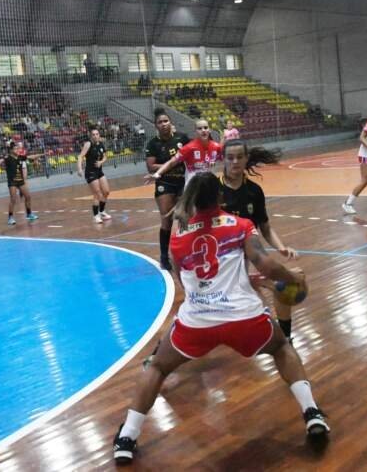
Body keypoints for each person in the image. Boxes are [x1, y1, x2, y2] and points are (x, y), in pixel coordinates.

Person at [112, 173, 329, 464]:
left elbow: (187, 283)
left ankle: (127, 437)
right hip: (244, 318)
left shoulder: (178, 238)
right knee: (281, 348)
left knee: (158, 367)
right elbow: (264, 263)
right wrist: (290, 278)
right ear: (221, 197)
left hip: (198, 321)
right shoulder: (241, 226)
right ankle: (312, 413)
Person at [220, 139, 299, 341]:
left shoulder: (254, 191)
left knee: (289, 282)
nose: (235, 161)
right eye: (230, 157)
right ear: (223, 159)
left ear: (247, 159)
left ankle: (284, 337)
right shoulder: (212, 190)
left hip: (249, 256)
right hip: (220, 261)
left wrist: (281, 247)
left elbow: (265, 226)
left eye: (239, 157)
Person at [144, 108, 190, 270]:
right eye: (160, 122)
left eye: (166, 121)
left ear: (171, 122)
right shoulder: (153, 144)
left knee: (185, 219)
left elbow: (192, 152)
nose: (163, 124)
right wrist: (171, 163)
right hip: (165, 184)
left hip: (183, 183)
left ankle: (185, 253)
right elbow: (151, 167)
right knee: (167, 219)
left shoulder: (182, 138)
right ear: (155, 126)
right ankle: (164, 256)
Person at [146, 119, 222, 186]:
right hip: (192, 187)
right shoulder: (189, 147)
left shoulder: (216, 147)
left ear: (209, 130)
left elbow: (227, 160)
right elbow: (172, 162)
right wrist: (157, 173)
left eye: (205, 127)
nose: (203, 130)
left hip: (209, 184)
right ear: (195, 131)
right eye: (200, 128)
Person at [77, 127, 111, 224]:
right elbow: (80, 156)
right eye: (93, 134)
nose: (95, 136)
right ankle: (96, 216)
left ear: (99, 135)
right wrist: (79, 169)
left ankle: (102, 211)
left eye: (97, 134)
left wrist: (101, 162)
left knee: (106, 192)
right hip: (90, 172)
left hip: (99, 171)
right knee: (97, 194)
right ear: (91, 136)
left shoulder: (100, 144)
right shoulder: (88, 144)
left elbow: (105, 156)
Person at [3, 140, 38, 225]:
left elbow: (29, 157)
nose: (17, 150)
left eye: (17, 149)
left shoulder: (19, 157)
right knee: (13, 199)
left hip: (20, 181)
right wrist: (1, 162)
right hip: (12, 182)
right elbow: (2, 164)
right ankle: (10, 217)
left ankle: (29, 214)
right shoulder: (8, 158)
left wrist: (38, 156)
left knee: (28, 196)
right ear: (11, 150)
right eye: (15, 149)